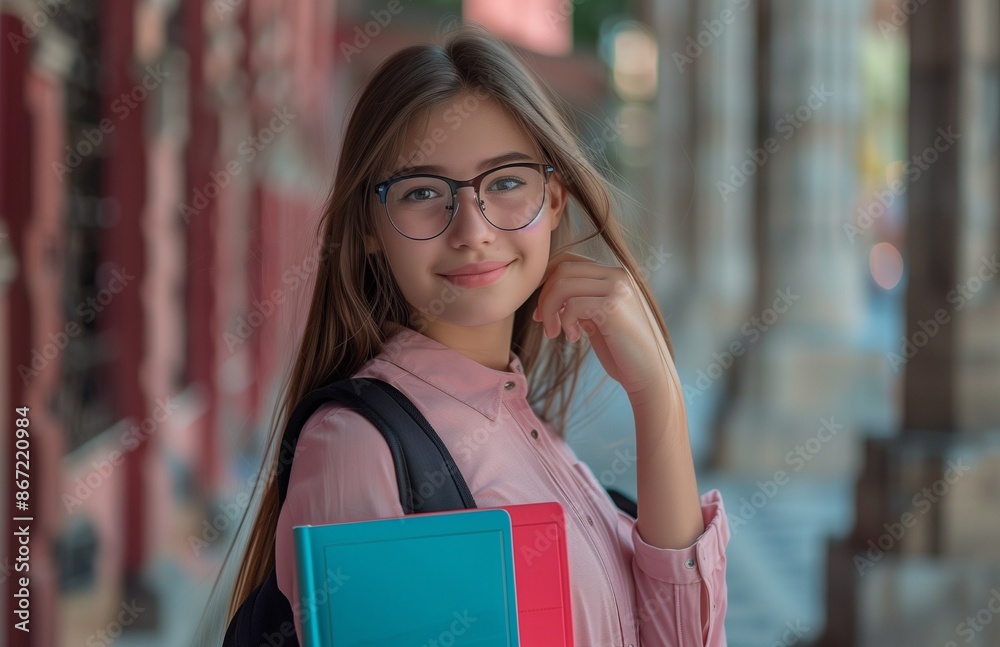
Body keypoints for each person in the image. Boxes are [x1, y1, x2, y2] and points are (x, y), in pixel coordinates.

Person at [227, 23, 729, 647]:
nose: (471, 228)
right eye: (421, 192)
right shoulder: (358, 448)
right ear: (367, 229)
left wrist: (658, 394)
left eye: (507, 182)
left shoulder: (526, 425)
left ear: (553, 200)